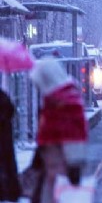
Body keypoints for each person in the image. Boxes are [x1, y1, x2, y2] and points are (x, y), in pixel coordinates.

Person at [29, 58, 88, 203]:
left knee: (55, 193)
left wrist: (73, 166)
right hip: (50, 160)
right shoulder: (57, 99)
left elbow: (73, 136)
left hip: (58, 161)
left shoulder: (64, 102)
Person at [0, 89, 21, 202]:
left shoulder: (2, 97)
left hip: (4, 139)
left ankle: (8, 191)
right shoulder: (3, 96)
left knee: (6, 165)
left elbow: (9, 111)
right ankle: (11, 192)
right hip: (5, 139)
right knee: (7, 165)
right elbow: (10, 111)